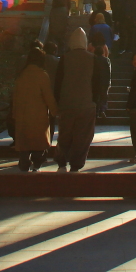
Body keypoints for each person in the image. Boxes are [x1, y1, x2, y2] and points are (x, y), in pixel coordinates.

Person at [52, 27, 108, 171]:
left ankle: (62, 161)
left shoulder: (65, 58)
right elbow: (97, 83)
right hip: (86, 104)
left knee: (65, 135)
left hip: (66, 104)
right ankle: (76, 164)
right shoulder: (93, 59)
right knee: (83, 136)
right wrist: (95, 101)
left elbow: (58, 82)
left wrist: (57, 102)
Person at [10, 47, 57, 172]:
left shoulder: (21, 76)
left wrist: (14, 113)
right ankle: (36, 164)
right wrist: (55, 111)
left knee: (24, 142)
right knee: (39, 143)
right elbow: (48, 97)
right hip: (38, 116)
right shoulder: (42, 75)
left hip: (22, 115)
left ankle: (24, 162)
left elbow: (15, 96)